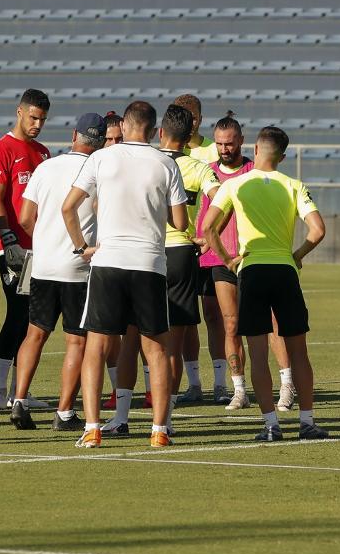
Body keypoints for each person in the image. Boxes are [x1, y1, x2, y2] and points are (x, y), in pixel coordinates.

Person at [62, 101, 188, 448]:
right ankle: (159, 431)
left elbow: (68, 206)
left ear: (126, 126)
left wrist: (80, 246)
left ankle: (92, 427)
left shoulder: (101, 158)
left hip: (109, 262)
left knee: (96, 348)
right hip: (148, 264)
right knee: (156, 351)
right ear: (154, 130)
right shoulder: (165, 163)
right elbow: (180, 223)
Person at [202, 126, 330, 442]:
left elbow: (207, 228)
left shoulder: (235, 184)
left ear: (256, 151)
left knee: (257, 353)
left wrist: (229, 259)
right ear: (283, 157)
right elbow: (318, 230)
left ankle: (271, 425)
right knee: (298, 352)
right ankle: (307, 422)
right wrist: (297, 255)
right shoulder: (294, 185)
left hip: (252, 272)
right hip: (285, 272)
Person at [9, 113, 103, 431]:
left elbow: (24, 217)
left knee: (35, 333)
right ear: (101, 141)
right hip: (79, 265)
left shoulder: (46, 166)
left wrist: (45, 237)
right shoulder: (98, 169)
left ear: (74, 134)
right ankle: (64, 413)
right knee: (76, 341)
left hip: (44, 264)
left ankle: (19, 399)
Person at [0, 88, 51, 409]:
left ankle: (17, 392)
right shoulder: (1, 149)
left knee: (32, 318)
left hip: (41, 249)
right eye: (33, 117)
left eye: (43, 119)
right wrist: (7, 240)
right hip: (12, 249)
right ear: (20, 112)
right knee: (17, 313)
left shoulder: (44, 153)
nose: (37, 124)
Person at [159, 104, 220, 416]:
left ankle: (123, 411)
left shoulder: (147, 162)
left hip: (145, 254)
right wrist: (207, 234)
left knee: (137, 338)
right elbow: (223, 197)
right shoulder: (197, 167)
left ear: (160, 132)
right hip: (182, 253)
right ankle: (164, 416)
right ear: (189, 136)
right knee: (175, 340)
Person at [196, 116, 251, 407]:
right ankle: (239, 390)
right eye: (218, 143)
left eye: (229, 143)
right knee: (230, 324)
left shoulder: (255, 171)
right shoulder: (209, 174)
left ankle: (286, 383)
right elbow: (206, 219)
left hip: (253, 258)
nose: (224, 149)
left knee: (269, 325)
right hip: (220, 260)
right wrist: (202, 243)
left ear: (241, 140)